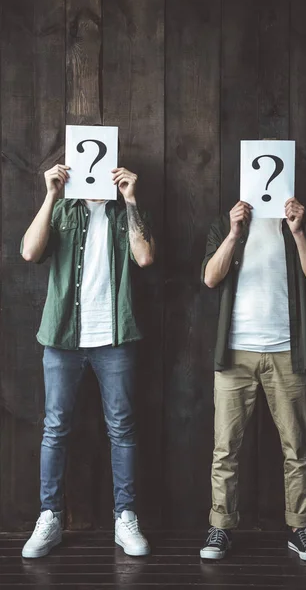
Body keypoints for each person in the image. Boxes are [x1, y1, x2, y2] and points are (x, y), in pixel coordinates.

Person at [20, 162, 155, 559]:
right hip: (63, 338)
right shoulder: (62, 210)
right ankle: (49, 517)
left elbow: (145, 258)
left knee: (122, 429)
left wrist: (130, 199)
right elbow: (29, 251)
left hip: (114, 338)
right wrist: (50, 195)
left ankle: (125, 517)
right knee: (55, 429)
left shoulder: (123, 211)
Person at [199, 198, 306, 562]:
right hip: (235, 353)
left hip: (288, 352)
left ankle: (300, 528)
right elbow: (210, 277)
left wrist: (299, 233)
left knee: (297, 447)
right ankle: (221, 526)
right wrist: (234, 233)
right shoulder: (226, 223)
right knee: (225, 448)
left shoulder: (297, 222)